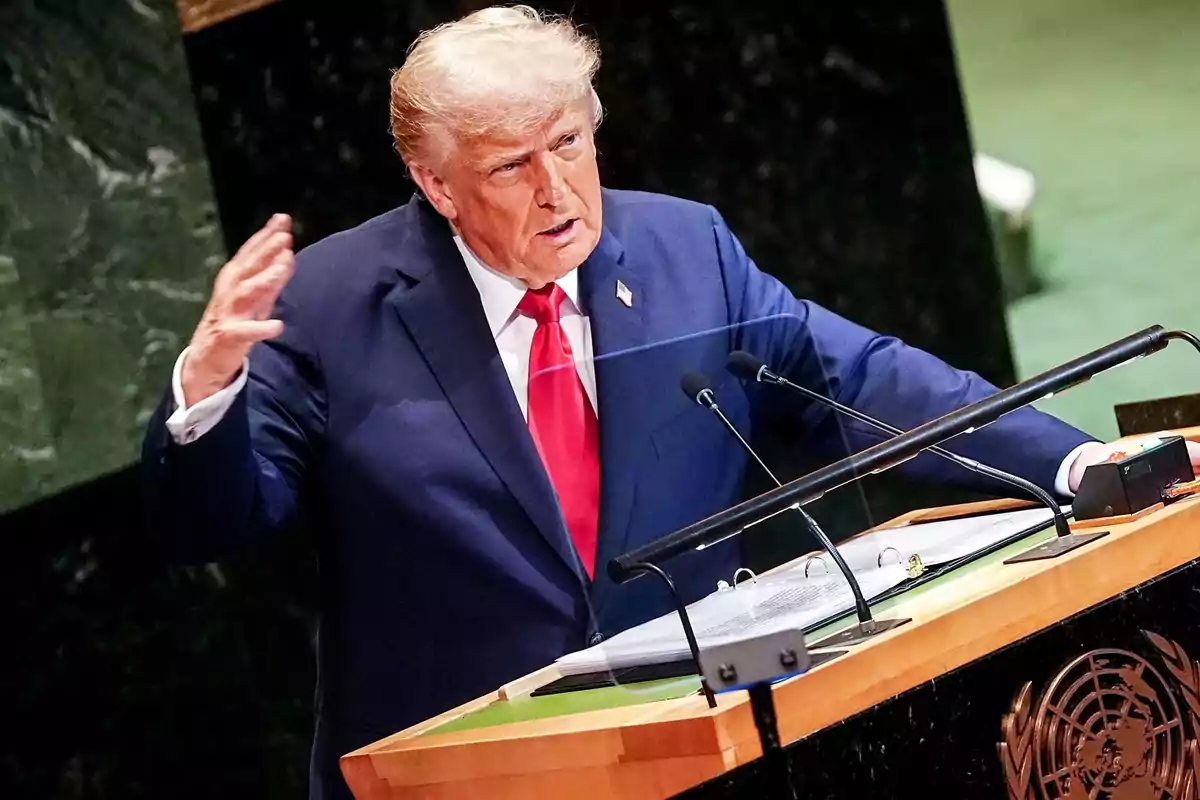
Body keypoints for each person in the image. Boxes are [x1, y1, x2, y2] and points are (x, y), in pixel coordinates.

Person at [140, 6, 1199, 799]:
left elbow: (864, 380)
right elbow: (213, 524)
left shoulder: (685, 249)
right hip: (467, 772)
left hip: (700, 745)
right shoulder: (330, 306)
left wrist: (1076, 465)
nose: (557, 189)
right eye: (511, 166)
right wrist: (207, 392)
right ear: (436, 182)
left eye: (571, 142)